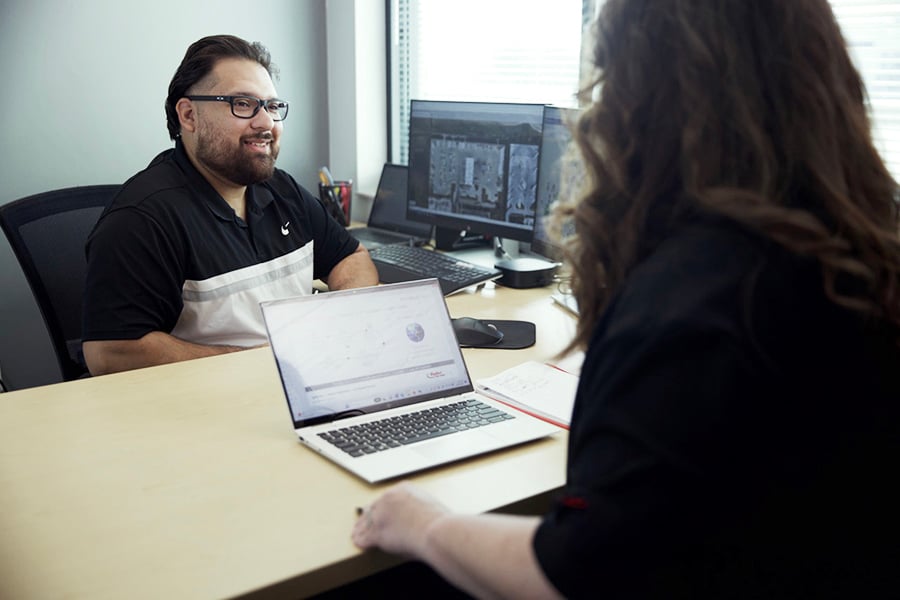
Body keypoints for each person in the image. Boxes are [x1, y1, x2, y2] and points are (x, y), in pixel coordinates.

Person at [352, 1, 900, 598]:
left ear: (643, 103)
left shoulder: (693, 305)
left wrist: (423, 522)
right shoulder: (867, 248)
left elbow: (573, 574)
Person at [82, 35, 378, 376]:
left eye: (271, 106)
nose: (266, 123)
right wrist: (261, 360)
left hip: (293, 388)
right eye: (242, 104)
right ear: (189, 115)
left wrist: (340, 319)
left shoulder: (281, 190)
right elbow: (111, 353)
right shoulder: (142, 219)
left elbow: (351, 258)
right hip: (198, 407)